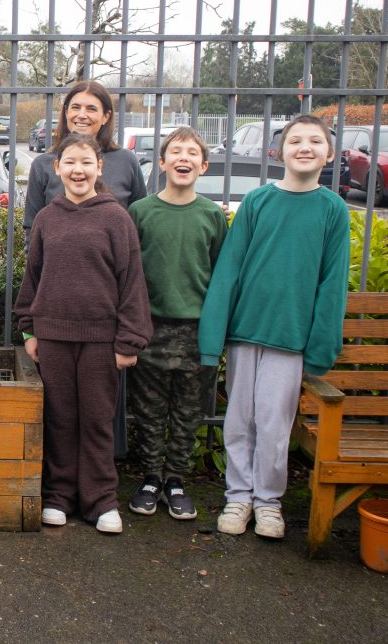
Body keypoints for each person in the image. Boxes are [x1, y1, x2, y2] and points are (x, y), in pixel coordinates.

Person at [199, 115, 349, 539]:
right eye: (295, 140)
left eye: (315, 141)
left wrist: (320, 349)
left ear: (329, 154)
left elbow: (333, 283)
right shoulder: (257, 202)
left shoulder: (333, 209)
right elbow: (229, 269)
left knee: (274, 425)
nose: (305, 147)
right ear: (279, 151)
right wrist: (213, 337)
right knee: (238, 421)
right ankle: (238, 497)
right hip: (245, 333)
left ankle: (268, 502)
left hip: (290, 339)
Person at [15, 133, 152, 534]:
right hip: (53, 337)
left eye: (86, 162)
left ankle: (100, 500)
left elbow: (132, 281)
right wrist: (29, 330)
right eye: (70, 162)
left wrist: (129, 340)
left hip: (101, 341)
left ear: (99, 168)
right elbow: (32, 277)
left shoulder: (116, 218)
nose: (78, 170)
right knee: (59, 418)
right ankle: (58, 497)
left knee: (96, 419)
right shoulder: (47, 218)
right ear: (57, 168)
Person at [126, 127, 227, 520]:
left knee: (187, 412)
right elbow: (129, 272)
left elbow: (220, 272)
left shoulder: (212, 215)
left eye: (192, 153)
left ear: (204, 165)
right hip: (150, 327)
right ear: (162, 162)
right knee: (148, 411)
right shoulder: (141, 212)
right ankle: (151, 477)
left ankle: (176, 480)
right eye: (176, 151)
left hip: (196, 331)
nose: (184, 158)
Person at [23, 81, 146, 238]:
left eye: (91, 109)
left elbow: (139, 223)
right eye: (75, 107)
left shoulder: (126, 161)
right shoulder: (42, 165)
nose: (82, 115)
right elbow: (32, 229)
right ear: (66, 112)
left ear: (106, 117)